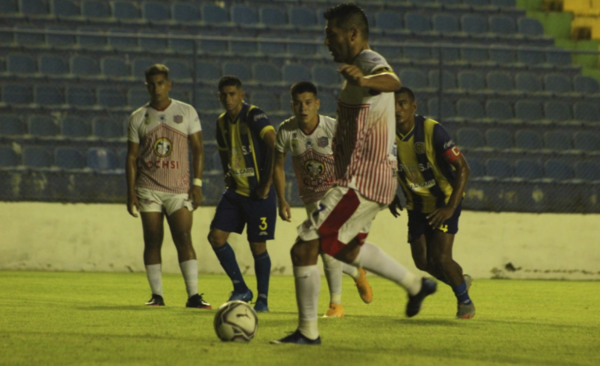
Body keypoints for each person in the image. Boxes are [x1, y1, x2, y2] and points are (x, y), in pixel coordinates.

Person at [272, 4, 437, 345]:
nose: (326, 41)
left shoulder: (368, 61)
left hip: (360, 181)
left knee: (304, 246)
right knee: (344, 251)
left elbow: (392, 81)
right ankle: (416, 285)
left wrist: (363, 79)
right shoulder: (358, 71)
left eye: (331, 34)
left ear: (353, 34)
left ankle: (308, 332)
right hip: (368, 178)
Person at [273, 81, 373, 319]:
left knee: (327, 249)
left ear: (317, 104)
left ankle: (336, 305)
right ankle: (356, 272)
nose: (303, 108)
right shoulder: (286, 130)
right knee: (327, 250)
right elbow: (277, 166)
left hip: (335, 195)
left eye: (308, 103)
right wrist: (282, 199)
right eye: (297, 104)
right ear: (292, 105)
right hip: (310, 198)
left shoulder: (332, 128)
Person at [126, 64, 211, 309]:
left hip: (179, 188)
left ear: (169, 85)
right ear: (146, 86)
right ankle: (157, 296)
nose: (156, 88)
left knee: (183, 237)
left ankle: (193, 295)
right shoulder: (138, 117)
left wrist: (197, 183)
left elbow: (198, 149)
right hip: (148, 188)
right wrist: (130, 191)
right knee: (152, 239)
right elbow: (131, 158)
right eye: (152, 84)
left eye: (161, 83)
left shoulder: (186, 111)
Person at [390, 87, 475, 319]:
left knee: (441, 258)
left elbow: (463, 168)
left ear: (413, 107)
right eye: (393, 105)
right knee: (422, 262)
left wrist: (450, 207)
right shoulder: (386, 135)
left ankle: (464, 302)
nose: (397, 109)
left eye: (403, 104)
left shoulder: (431, 130)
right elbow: (384, 165)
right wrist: (389, 194)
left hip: (444, 201)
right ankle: (460, 281)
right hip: (416, 204)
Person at [207, 76, 277, 313]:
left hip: (259, 194)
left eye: (232, 94)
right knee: (216, 237)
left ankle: (263, 300)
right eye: (224, 95)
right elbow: (224, 152)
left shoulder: (254, 116)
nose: (228, 99)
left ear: (242, 95)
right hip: (235, 192)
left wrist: (267, 184)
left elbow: (275, 145)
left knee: (258, 246)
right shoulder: (221, 122)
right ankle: (241, 289)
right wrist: (227, 174)